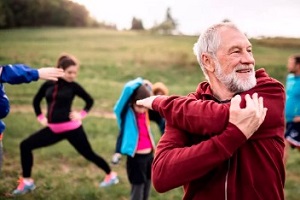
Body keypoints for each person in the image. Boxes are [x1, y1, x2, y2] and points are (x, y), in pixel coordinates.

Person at [137, 22, 285, 200]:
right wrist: (233, 136)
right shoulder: (187, 109)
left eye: (249, 50)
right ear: (208, 61)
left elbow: (219, 116)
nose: (249, 59)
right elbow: (161, 176)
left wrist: (161, 102)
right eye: (236, 51)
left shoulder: (270, 91)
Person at [12, 54, 118, 196]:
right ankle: (27, 182)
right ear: (61, 70)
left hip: (72, 129)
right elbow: (36, 101)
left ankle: (111, 175)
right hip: (53, 130)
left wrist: (80, 115)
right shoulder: (49, 84)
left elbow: (89, 101)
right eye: (69, 72)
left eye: (75, 72)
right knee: (25, 145)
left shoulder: (74, 87)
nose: (72, 75)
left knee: (89, 154)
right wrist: (41, 117)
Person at [0, 64, 64, 171]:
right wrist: (36, 73)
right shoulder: (48, 86)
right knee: (25, 146)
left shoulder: (72, 86)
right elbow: (37, 101)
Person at [113, 77, 155, 200]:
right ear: (132, 102)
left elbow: (149, 93)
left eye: (145, 106)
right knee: (137, 191)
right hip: (136, 159)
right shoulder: (126, 114)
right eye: (139, 106)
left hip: (149, 156)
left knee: (147, 188)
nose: (143, 110)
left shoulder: (146, 112)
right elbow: (127, 89)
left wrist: (147, 85)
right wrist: (141, 81)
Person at [284, 54, 300, 163]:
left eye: (291, 64)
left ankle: (279, 178)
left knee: (284, 145)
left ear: (298, 65)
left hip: (297, 121)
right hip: (288, 120)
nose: (288, 66)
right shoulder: (290, 78)